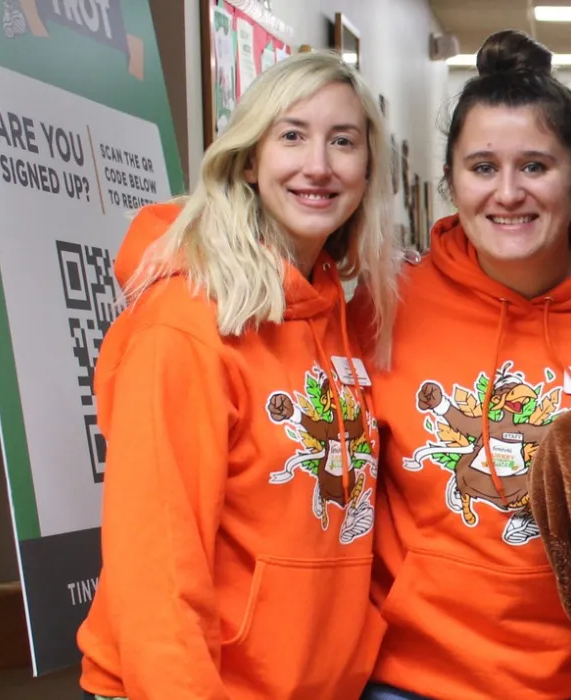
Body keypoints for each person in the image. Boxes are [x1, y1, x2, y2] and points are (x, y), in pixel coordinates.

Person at [78, 50, 400, 700]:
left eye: (343, 141)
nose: (318, 165)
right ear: (249, 159)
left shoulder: (336, 311)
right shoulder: (188, 320)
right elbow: (158, 562)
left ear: (367, 168)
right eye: (292, 136)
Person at [358, 30, 571, 700]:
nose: (508, 193)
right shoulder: (386, 309)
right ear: (451, 179)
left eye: (536, 167)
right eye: (483, 167)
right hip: (413, 676)